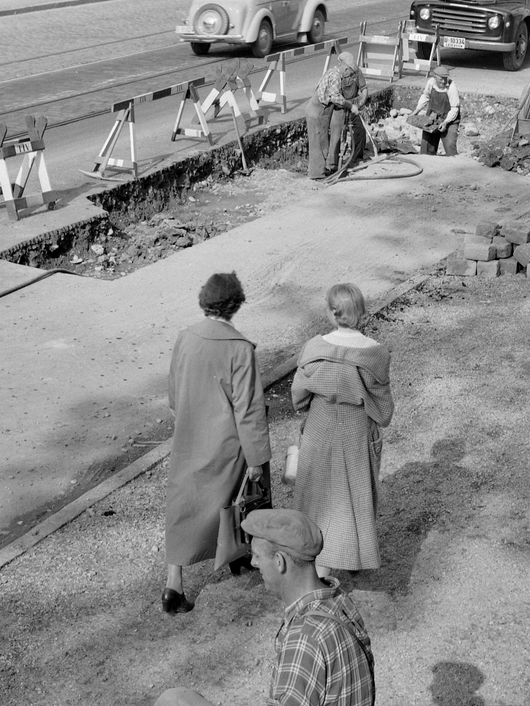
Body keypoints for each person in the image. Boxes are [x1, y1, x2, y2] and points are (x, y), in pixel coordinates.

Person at [156, 508, 375, 706]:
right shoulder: (339, 601)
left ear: (280, 562)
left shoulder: (305, 639)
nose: (253, 563)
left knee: (173, 701)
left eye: (258, 556)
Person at [162, 271, 271, 613]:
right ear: (235, 305)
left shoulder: (185, 337)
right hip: (228, 442)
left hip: (190, 436)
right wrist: (257, 456)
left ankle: (173, 585)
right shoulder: (240, 349)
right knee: (242, 496)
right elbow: (249, 410)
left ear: (204, 300)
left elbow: (172, 392)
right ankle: (242, 553)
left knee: (184, 505)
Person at [292, 284, 393, 577]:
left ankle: (318, 567)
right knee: (354, 491)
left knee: (318, 493)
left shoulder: (313, 349)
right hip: (356, 427)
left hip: (320, 425)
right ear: (361, 312)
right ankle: (350, 553)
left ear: (330, 312)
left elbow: (298, 397)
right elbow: (384, 412)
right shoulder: (375, 353)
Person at [305, 51, 368, 180]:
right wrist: (351, 106)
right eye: (349, 72)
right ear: (345, 68)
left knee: (323, 142)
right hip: (318, 111)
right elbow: (335, 98)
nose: (349, 75)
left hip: (323, 110)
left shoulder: (335, 73)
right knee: (319, 143)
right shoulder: (335, 76)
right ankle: (317, 175)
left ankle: (321, 171)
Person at [414, 64, 460, 155]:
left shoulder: (451, 87)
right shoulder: (431, 83)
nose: (443, 81)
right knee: (426, 147)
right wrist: (416, 111)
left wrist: (445, 122)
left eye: (445, 78)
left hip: (449, 120)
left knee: (450, 146)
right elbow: (425, 96)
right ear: (435, 77)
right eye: (441, 79)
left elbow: (455, 109)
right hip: (433, 118)